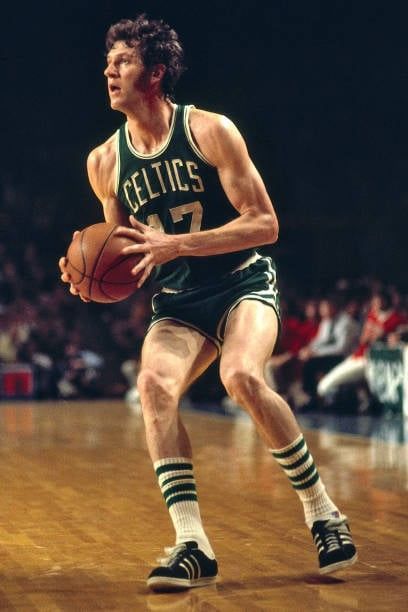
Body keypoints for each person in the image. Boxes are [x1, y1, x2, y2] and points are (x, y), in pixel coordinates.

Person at [59, 14, 357, 590]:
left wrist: (179, 244)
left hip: (243, 282)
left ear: (156, 72)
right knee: (152, 386)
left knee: (241, 375)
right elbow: (126, 257)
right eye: (108, 62)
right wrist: (85, 277)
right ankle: (193, 544)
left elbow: (265, 224)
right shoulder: (103, 163)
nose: (109, 71)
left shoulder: (210, 131)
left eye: (123, 61)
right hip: (178, 300)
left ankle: (323, 512)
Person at [317, 288, 407, 404]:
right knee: (325, 385)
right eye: (374, 302)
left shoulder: (397, 318)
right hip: (362, 356)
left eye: (378, 301)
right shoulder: (371, 316)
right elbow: (364, 340)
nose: (376, 304)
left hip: (383, 362)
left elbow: (396, 337)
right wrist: (373, 333)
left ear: (385, 301)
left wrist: (386, 334)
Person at [297, 294, 359, 409]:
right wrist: (309, 349)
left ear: (334, 307)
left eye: (325, 307)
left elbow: (341, 348)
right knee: (307, 361)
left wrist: (316, 353)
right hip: (330, 356)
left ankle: (314, 398)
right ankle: (312, 397)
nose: (322, 311)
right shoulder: (326, 322)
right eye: (321, 308)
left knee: (312, 364)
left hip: (345, 357)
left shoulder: (346, 322)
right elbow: (320, 341)